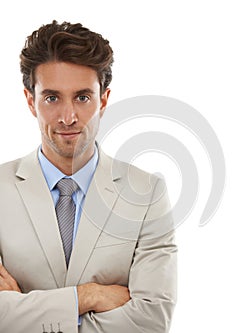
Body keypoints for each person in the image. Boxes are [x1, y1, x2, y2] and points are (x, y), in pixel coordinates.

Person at [0, 20, 177, 332]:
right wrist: (89, 296)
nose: (68, 117)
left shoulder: (147, 193)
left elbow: (152, 318)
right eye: (52, 98)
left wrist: (25, 313)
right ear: (31, 101)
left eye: (82, 97)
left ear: (103, 100)